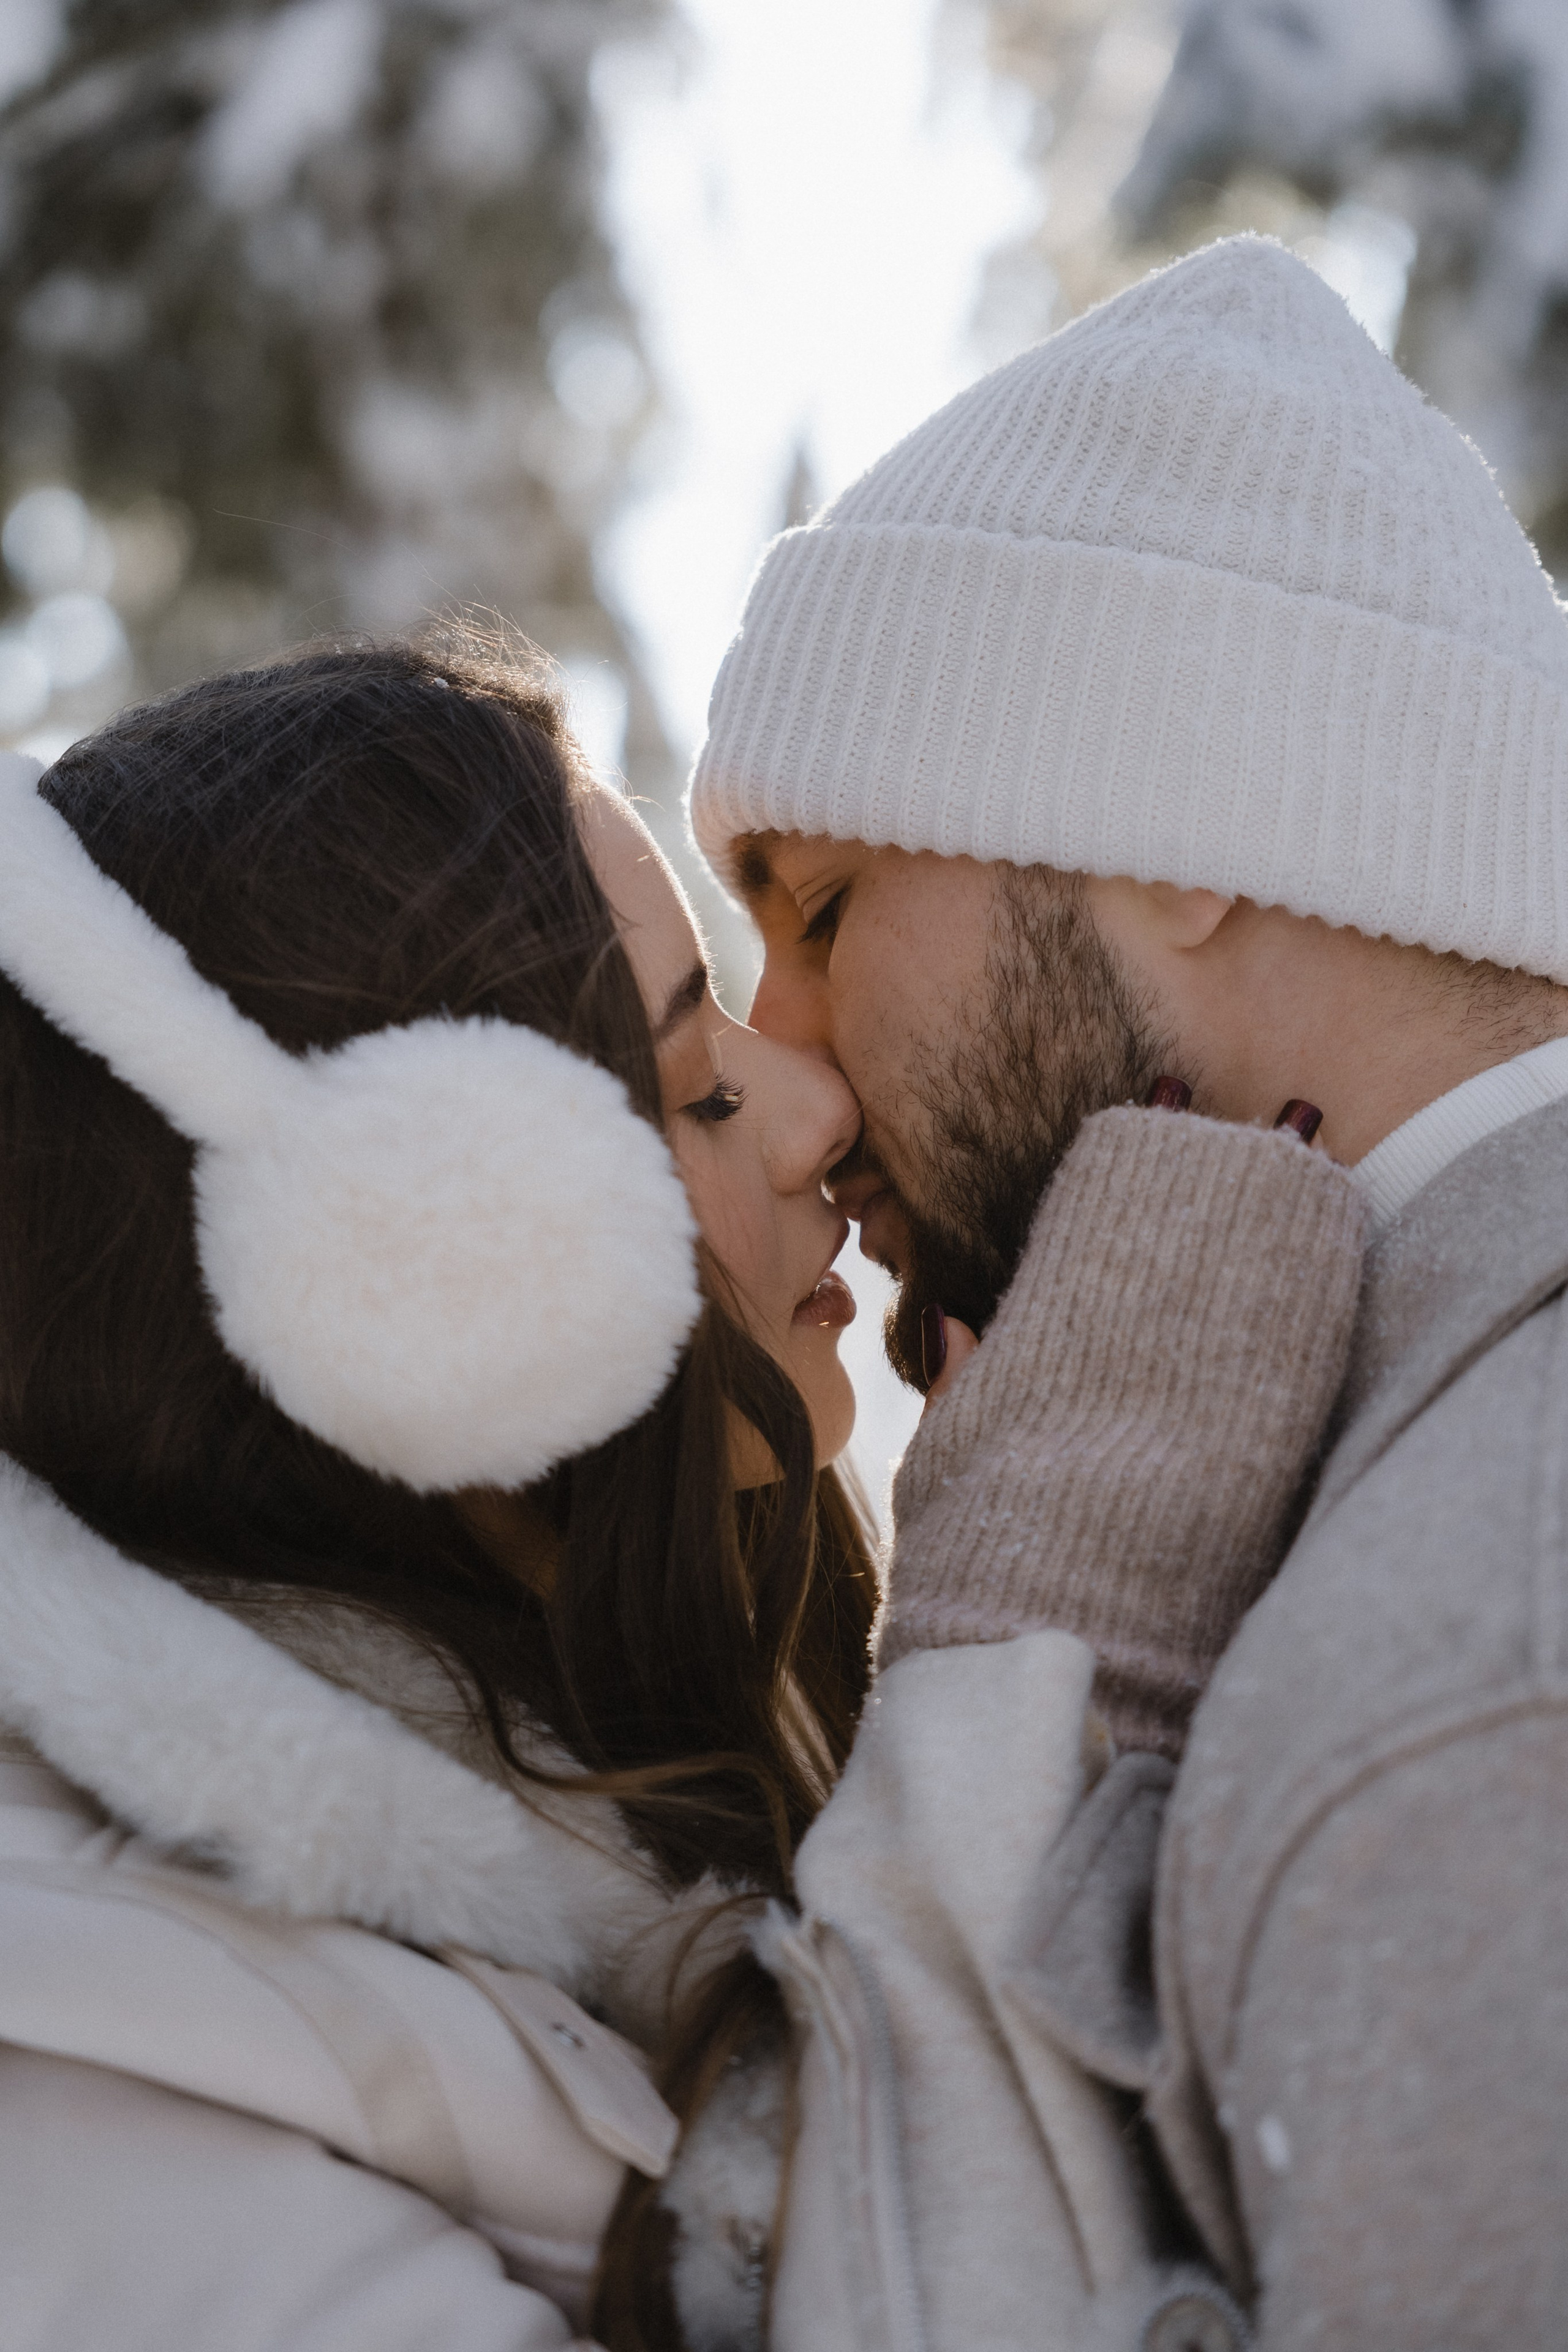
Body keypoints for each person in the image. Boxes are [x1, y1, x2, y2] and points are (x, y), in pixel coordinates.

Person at [0, 628, 1367, 2352]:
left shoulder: (647, 1764)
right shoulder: (89, 2066)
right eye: (697, 1085)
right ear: (402, 1282)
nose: (814, 1111)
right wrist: (1041, 1641)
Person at [690, 232, 1568, 2348]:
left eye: (824, 905)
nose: (785, 1050)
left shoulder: (1466, 1682)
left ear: (1177, 824)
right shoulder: (1395, 1514)